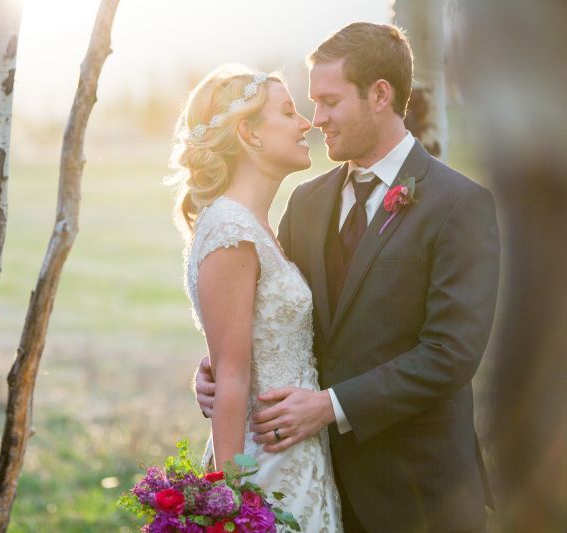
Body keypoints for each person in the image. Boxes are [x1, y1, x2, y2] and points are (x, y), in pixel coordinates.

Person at [193, 23, 499, 533]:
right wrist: (221, 373)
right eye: (309, 104)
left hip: (420, 493)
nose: (317, 120)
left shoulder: (459, 205)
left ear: (379, 95)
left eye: (329, 102)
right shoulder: (306, 202)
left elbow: (451, 353)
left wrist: (330, 407)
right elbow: (278, 313)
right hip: (317, 482)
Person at [173, 63, 342, 531]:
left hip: (301, 456)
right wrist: (226, 507)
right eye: (289, 112)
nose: (306, 122)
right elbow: (230, 376)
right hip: (264, 467)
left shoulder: (259, 224)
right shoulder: (231, 228)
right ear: (248, 132)